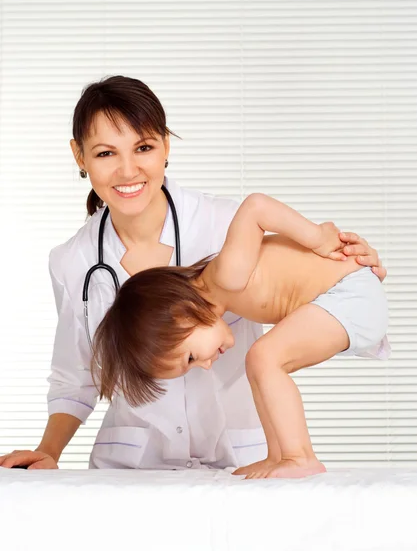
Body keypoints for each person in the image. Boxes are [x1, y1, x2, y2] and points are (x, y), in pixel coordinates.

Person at [0, 76, 386, 471]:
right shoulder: (70, 261)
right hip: (134, 465)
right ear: (79, 157)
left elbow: (301, 276)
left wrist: (349, 259)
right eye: (104, 154)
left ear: (165, 145)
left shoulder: (225, 222)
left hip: (244, 455)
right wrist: (49, 452)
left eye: (144, 147)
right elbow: (75, 375)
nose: (127, 170)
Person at [93, 193, 390, 479]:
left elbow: (256, 207)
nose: (205, 365)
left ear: (182, 313)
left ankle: (301, 457)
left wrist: (316, 237)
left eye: (192, 358)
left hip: (349, 292)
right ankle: (280, 454)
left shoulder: (226, 275)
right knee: (259, 363)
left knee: (264, 358)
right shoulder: (223, 286)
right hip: (345, 295)